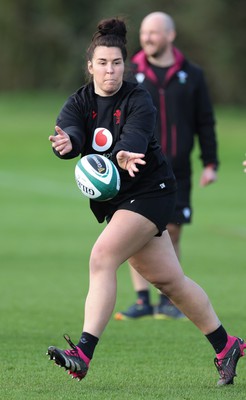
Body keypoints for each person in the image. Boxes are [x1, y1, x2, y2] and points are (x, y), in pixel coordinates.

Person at [46, 17, 245, 386]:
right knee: (170, 282)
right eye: (103, 63)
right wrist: (68, 145)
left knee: (102, 257)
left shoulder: (138, 97)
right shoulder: (80, 101)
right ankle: (227, 344)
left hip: (151, 193)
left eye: (117, 63)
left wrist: (124, 154)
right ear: (90, 66)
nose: (110, 71)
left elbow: (135, 137)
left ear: (127, 64)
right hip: (121, 202)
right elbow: (72, 131)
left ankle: (83, 353)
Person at [114, 12, 218, 321]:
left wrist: (210, 162)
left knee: (172, 231)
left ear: (170, 36)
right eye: (144, 33)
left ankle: (169, 301)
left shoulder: (192, 74)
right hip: (139, 165)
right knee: (135, 231)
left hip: (179, 168)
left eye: (154, 33)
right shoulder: (131, 72)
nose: (147, 38)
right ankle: (143, 300)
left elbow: (205, 120)